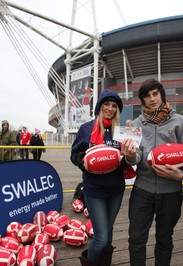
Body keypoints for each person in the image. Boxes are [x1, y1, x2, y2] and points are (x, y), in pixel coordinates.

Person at [121, 78, 183, 266]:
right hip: (142, 191)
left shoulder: (179, 122)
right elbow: (135, 157)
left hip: (170, 193)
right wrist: (129, 155)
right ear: (142, 100)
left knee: (164, 239)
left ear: (161, 94)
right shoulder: (135, 124)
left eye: (155, 94)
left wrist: (182, 175)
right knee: (136, 240)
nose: (152, 99)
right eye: (147, 96)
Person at [71, 89, 128, 266]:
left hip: (116, 190)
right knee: (101, 238)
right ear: (99, 106)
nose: (110, 108)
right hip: (94, 190)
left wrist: (130, 153)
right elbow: (75, 154)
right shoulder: (87, 128)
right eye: (106, 104)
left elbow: (128, 159)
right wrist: (83, 161)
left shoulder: (121, 130)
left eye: (114, 106)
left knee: (108, 235)